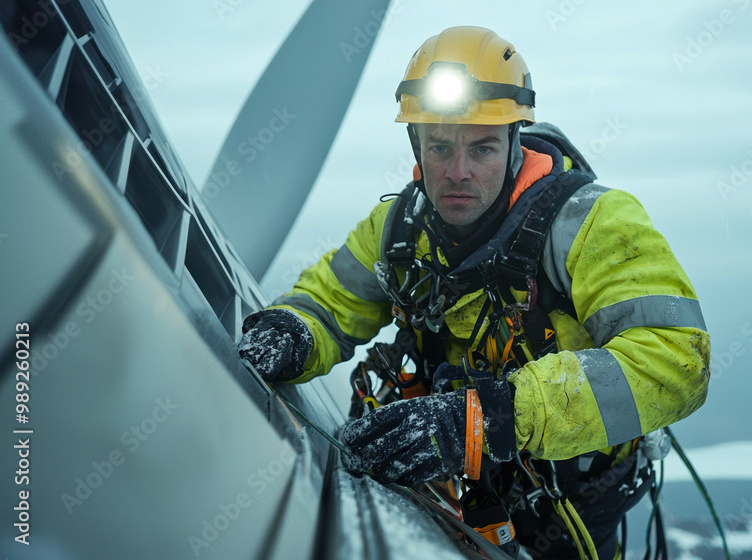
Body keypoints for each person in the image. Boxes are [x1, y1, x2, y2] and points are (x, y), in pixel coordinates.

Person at [238, 26, 710, 560]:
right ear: (417, 146)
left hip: (568, 497)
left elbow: (676, 360)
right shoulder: (399, 229)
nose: (457, 173)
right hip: (452, 487)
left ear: (514, 143)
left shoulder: (593, 224)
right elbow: (329, 303)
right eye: (440, 147)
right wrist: (293, 332)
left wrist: (489, 419)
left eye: (482, 148)